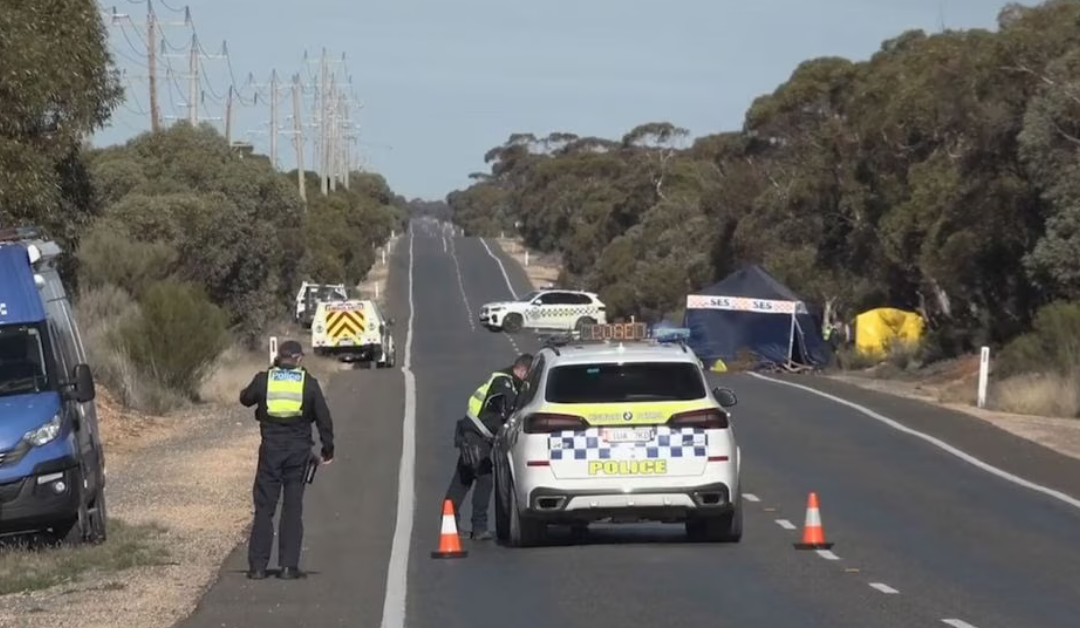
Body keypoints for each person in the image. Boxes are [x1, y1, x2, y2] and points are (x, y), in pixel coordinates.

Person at [239, 340, 334, 580]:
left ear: (278, 357)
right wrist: (327, 449)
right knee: (292, 508)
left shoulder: (264, 380)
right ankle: (288, 567)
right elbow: (324, 418)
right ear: (299, 359)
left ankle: (258, 567)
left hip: (270, 451)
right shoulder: (309, 384)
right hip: (298, 453)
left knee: (264, 508)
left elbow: (246, 398)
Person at [446, 353, 533, 540]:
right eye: (529, 376)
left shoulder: (504, 379)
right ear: (522, 371)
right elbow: (511, 405)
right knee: (485, 479)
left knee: (463, 479)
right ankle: (479, 527)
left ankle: (449, 522)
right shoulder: (504, 382)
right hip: (476, 435)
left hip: (472, 432)